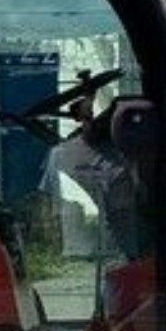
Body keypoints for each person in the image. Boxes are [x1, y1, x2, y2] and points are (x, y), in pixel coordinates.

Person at [39, 94, 134, 260]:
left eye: (101, 117)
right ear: (79, 118)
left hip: (124, 251)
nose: (94, 122)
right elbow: (48, 202)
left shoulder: (129, 153)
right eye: (88, 116)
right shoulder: (61, 155)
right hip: (77, 256)